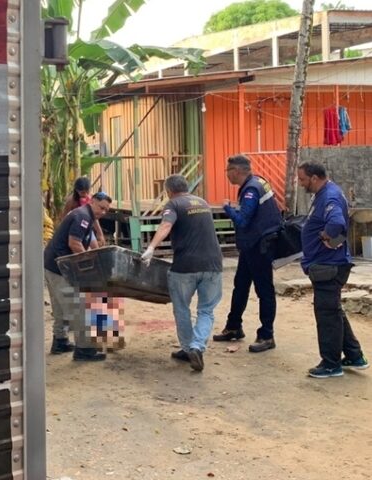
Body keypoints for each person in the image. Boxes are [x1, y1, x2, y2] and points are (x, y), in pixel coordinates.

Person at [141, 175, 223, 372]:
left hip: (185, 267)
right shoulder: (203, 203)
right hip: (213, 265)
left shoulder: (173, 204)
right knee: (206, 310)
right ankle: (196, 346)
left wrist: (151, 247)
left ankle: (188, 348)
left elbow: (166, 225)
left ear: (169, 191)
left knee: (182, 309)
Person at [297, 162, 368, 378]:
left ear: (315, 178)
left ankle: (331, 364)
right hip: (327, 263)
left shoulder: (329, 196)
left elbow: (336, 223)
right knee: (334, 311)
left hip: (329, 265)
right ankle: (355, 356)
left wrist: (326, 236)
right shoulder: (324, 194)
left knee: (327, 314)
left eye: (303, 179)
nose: (300, 183)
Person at [214, 155, 283, 353]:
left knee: (264, 291)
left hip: (260, 246)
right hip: (251, 246)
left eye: (227, 171)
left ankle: (266, 335)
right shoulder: (259, 181)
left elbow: (243, 220)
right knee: (240, 286)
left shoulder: (252, 189)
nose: (227, 175)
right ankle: (234, 326)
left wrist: (227, 207)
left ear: (236, 170)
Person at [44, 191, 112, 361]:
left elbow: (89, 239)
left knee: (60, 307)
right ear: (93, 202)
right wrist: (87, 266)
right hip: (60, 267)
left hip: (52, 265)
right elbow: (74, 243)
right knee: (78, 308)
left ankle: (60, 341)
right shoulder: (82, 216)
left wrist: (96, 252)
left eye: (106, 210)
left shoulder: (86, 215)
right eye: (101, 208)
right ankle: (84, 350)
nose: (103, 212)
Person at [62, 177, 106, 246]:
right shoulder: (71, 201)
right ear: (77, 190)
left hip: (86, 227)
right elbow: (64, 219)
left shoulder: (91, 199)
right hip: (74, 230)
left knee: (95, 248)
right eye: (82, 192)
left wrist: (100, 234)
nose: (85, 194)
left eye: (87, 192)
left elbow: (94, 218)